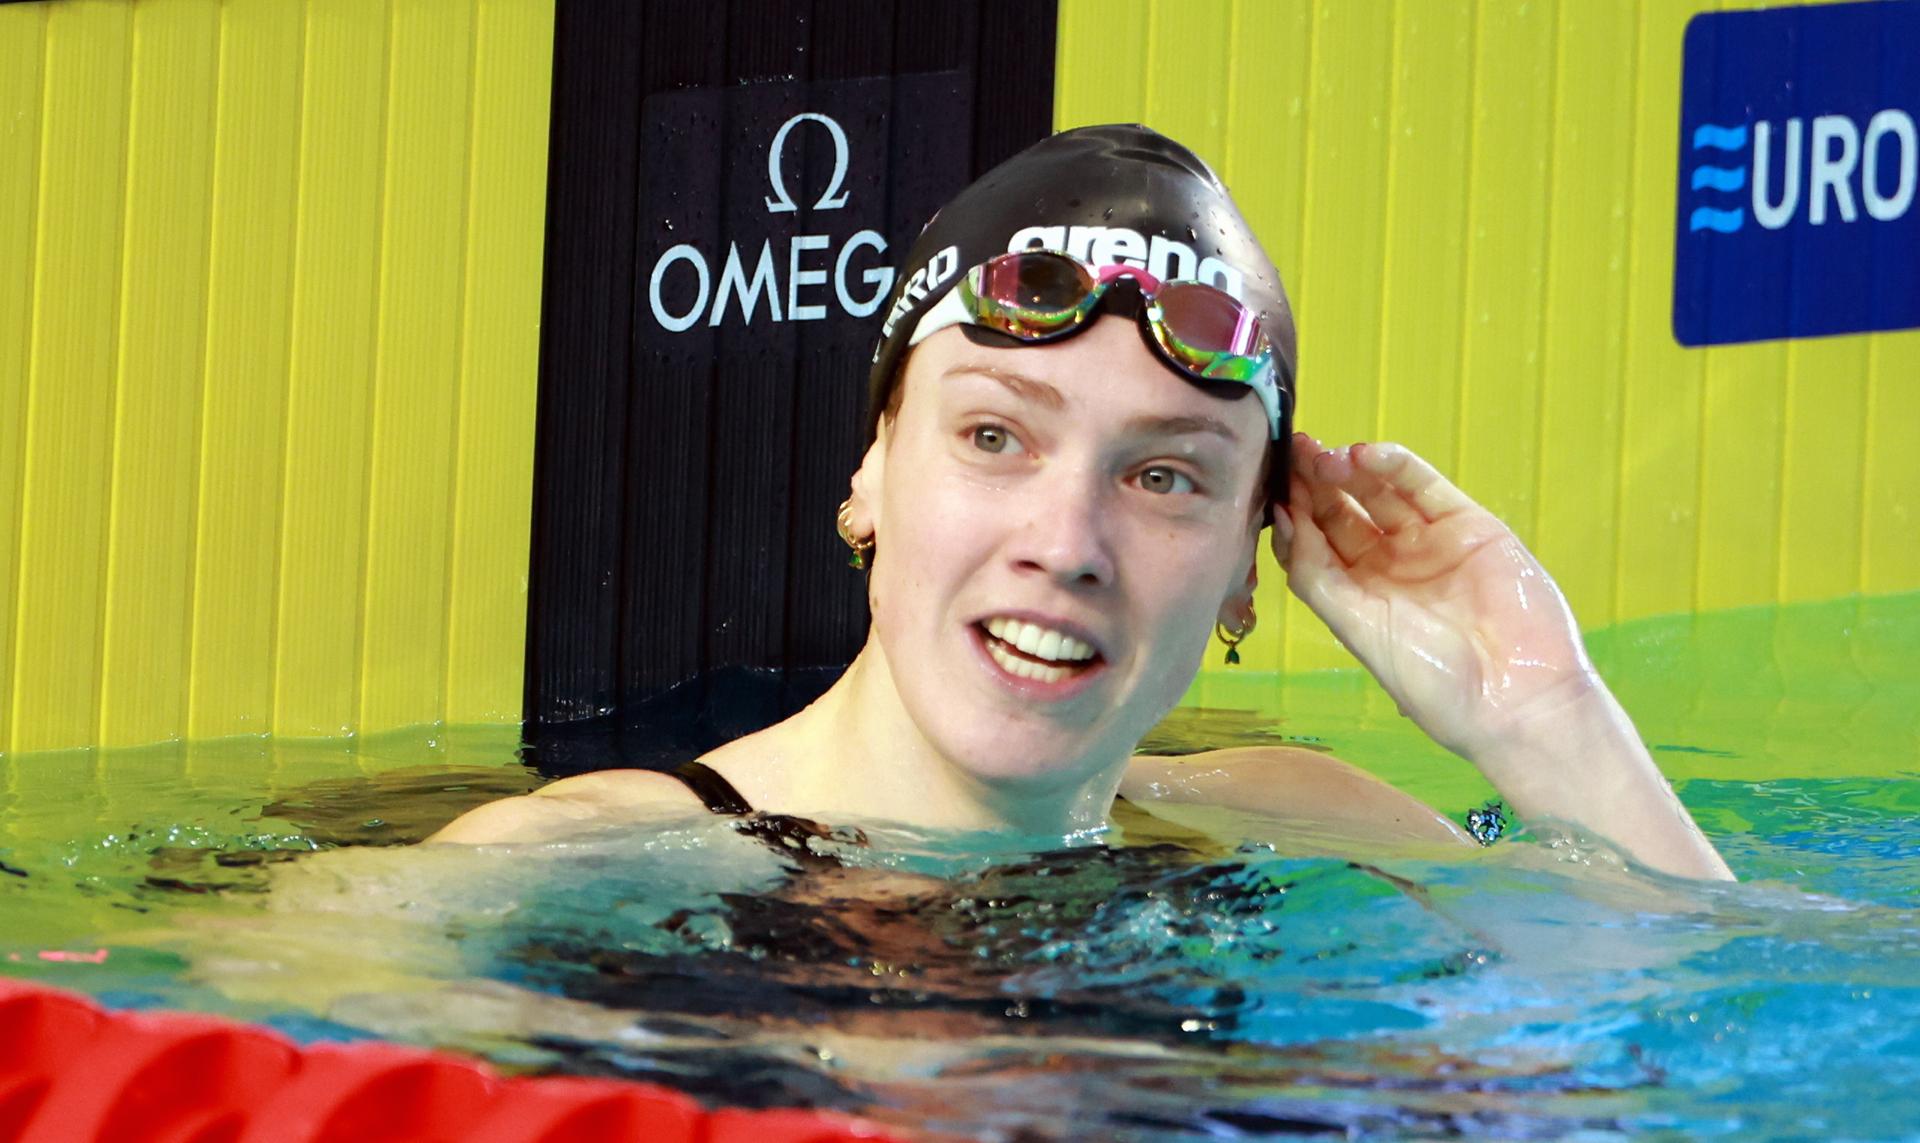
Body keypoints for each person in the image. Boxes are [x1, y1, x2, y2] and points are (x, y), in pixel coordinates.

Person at [433, 125, 1732, 883]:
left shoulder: (1295, 819)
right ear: (871, 472)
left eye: (1164, 476)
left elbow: (1703, 1059)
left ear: (1246, 566)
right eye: (996, 435)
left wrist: (1542, 716)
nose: (1066, 546)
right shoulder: (565, 872)